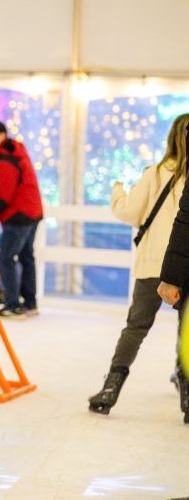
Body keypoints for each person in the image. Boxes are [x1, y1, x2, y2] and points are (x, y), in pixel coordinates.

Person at [88, 113, 189, 416]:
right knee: (185, 331)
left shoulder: (155, 174)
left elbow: (130, 213)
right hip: (185, 269)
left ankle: (111, 388)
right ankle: (186, 393)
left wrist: (117, 192)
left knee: (136, 327)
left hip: (153, 265)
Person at [0, 121, 43, 319]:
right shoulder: (17, 152)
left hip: (19, 214)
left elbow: (4, 194)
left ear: (0, 135)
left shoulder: (6, 158)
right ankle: (30, 303)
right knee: (26, 257)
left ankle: (13, 304)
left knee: (6, 258)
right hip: (33, 211)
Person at [156, 114, 189, 424]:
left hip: (161, 260)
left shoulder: (156, 172)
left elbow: (186, 220)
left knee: (137, 325)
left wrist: (170, 276)